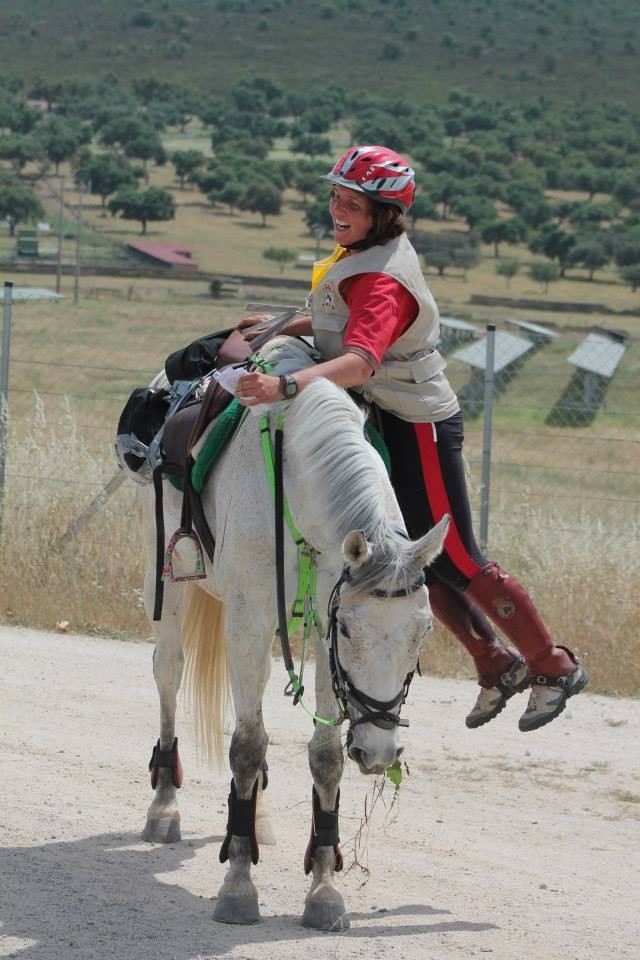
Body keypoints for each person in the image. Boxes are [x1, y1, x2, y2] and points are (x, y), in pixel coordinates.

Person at [234, 145, 589, 732]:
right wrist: (283, 323)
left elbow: (361, 360)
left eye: (352, 203)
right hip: (386, 418)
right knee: (409, 560)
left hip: (416, 423)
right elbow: (339, 321)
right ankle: (493, 663)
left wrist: (284, 385)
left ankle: (551, 665)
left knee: (457, 557)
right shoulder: (360, 255)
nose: (338, 210)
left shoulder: (381, 276)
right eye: (335, 197)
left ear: (384, 213)